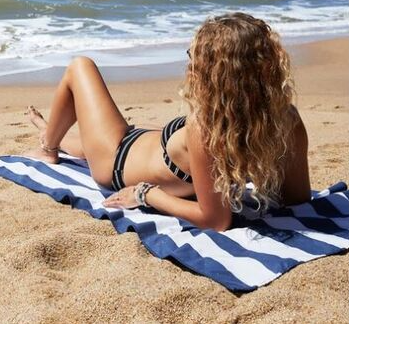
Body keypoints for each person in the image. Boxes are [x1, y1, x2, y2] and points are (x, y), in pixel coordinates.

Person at [24, 12, 311, 232]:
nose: (189, 65)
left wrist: (145, 193)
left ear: (214, 73)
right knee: (86, 142)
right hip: (140, 143)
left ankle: (48, 146)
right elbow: (297, 199)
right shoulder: (287, 120)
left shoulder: (205, 128)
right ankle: (49, 131)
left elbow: (215, 221)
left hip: (117, 162)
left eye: (194, 58)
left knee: (80, 66)